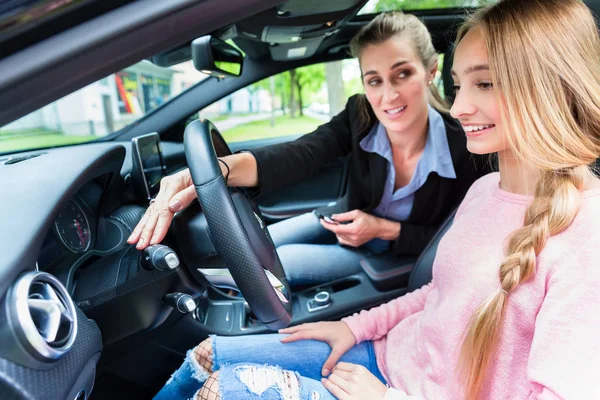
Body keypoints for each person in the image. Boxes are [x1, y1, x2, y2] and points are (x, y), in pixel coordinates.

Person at [153, 0, 600, 398]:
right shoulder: (487, 188)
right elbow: (438, 291)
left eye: (484, 84)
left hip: (394, 371)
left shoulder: (573, 227)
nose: (460, 107)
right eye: (460, 85)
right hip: (390, 349)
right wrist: (354, 326)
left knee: (221, 389)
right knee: (209, 356)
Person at [128, 12, 490, 288]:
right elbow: (300, 154)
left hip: (391, 254)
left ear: (430, 71)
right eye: (374, 80)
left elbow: (457, 239)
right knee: (254, 250)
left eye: (403, 74)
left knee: (274, 266)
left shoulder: (468, 148)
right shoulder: (359, 113)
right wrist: (208, 173)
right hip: (338, 219)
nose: (388, 96)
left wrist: (383, 229)